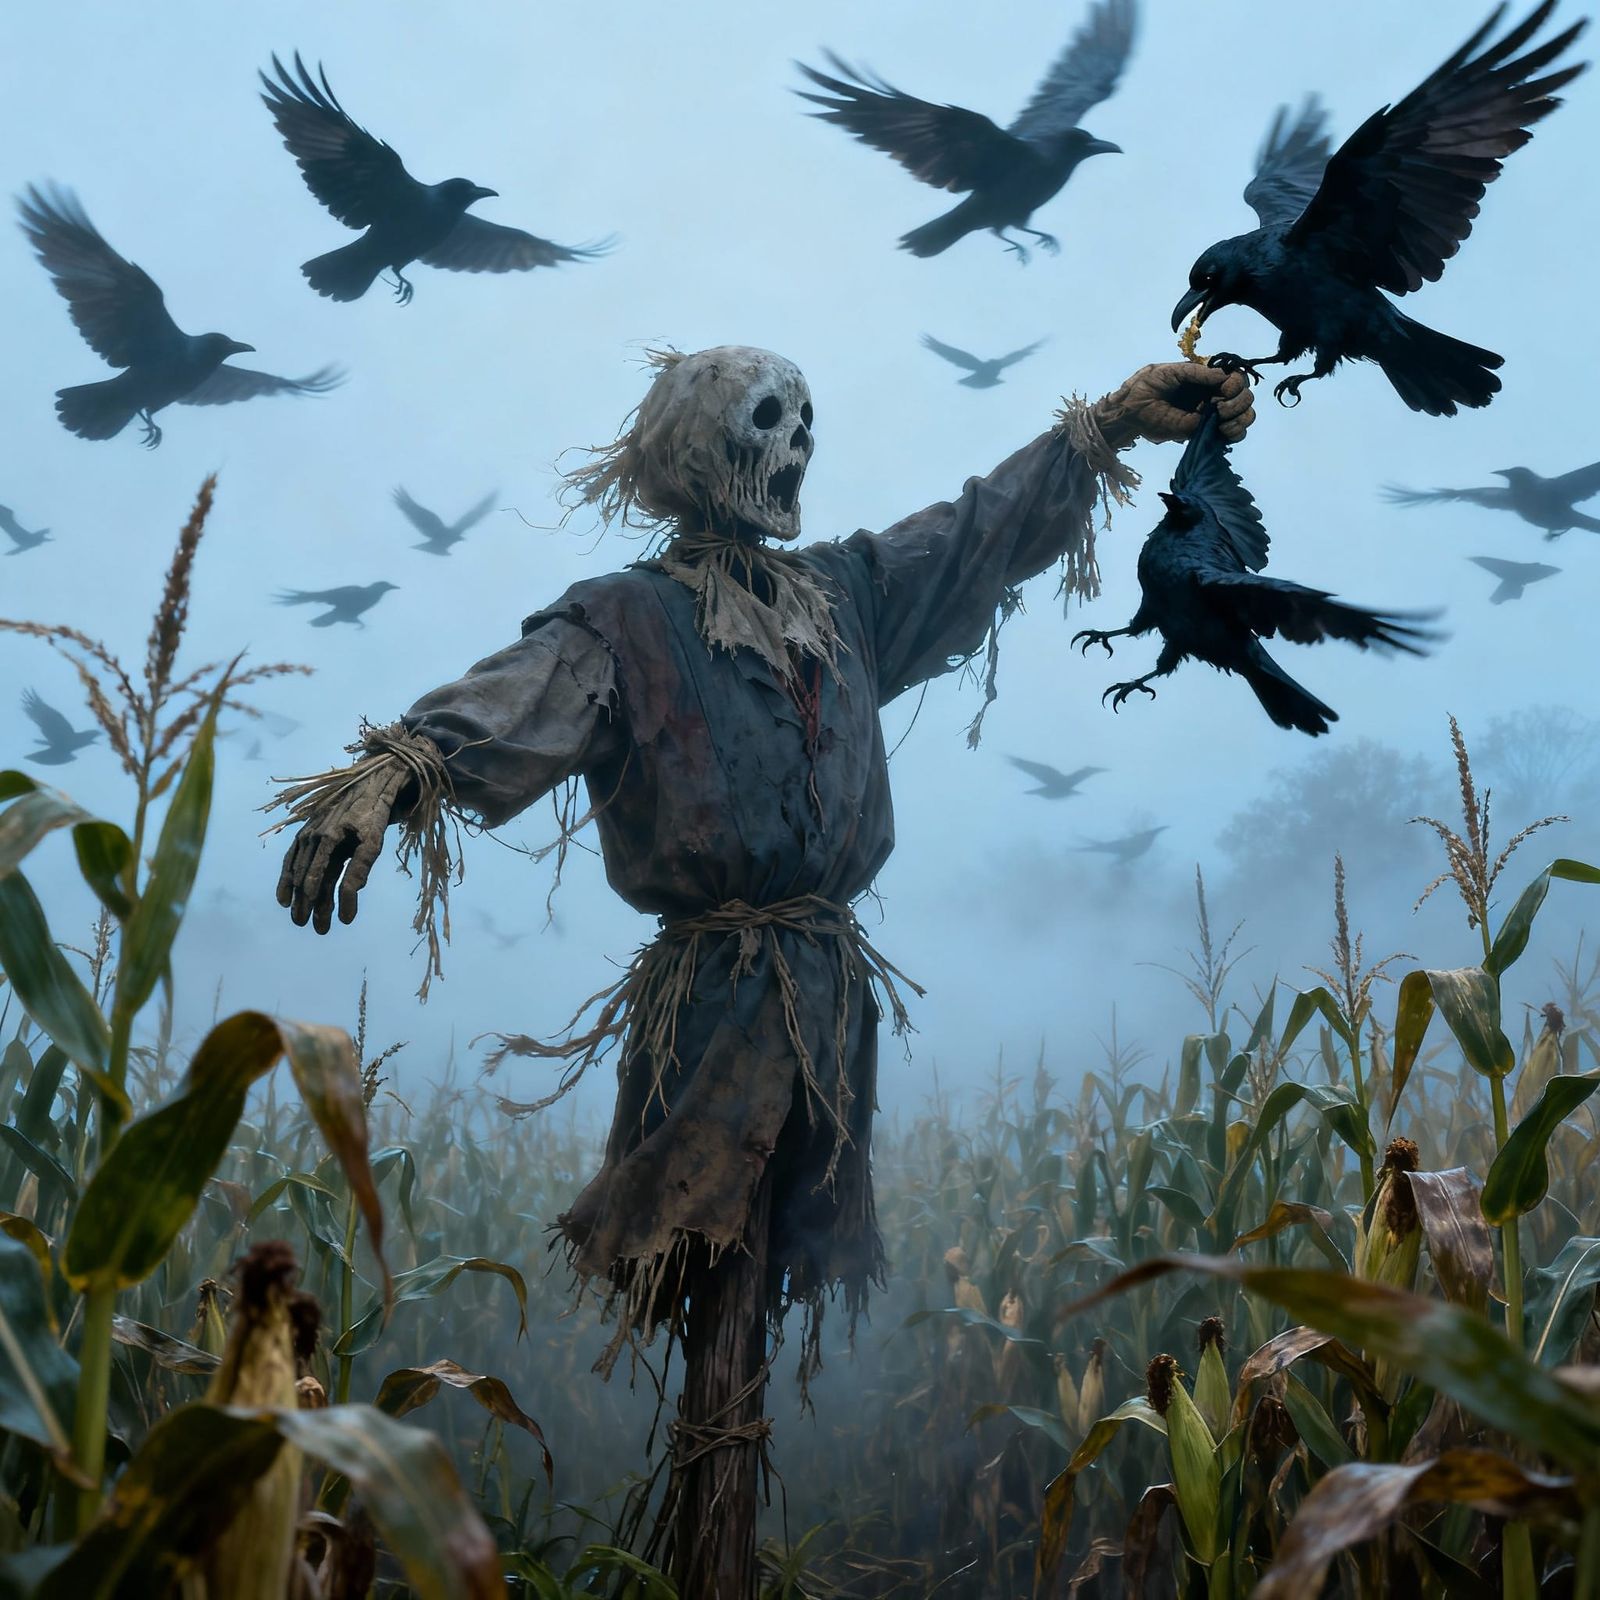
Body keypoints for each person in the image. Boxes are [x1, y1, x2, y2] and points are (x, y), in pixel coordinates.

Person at [272, 346, 1253, 1592]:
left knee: (764, 1293)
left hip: (825, 999)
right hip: (716, 1005)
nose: (795, 449)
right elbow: (523, 695)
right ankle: (705, 1543)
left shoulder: (841, 595)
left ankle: (724, 1542)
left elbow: (974, 533)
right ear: (694, 450)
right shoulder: (622, 619)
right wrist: (394, 771)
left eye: (806, 425)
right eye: (765, 423)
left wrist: (1104, 425)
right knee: (713, 1285)